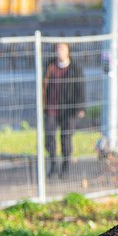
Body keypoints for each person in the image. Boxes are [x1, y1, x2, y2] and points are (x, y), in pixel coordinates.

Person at [42, 41, 85, 177]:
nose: (60, 51)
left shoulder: (75, 68)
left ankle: (65, 166)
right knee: (49, 137)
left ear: (68, 51)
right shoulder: (50, 66)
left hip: (68, 109)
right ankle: (54, 163)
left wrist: (80, 107)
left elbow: (80, 89)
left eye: (63, 49)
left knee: (66, 138)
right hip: (51, 108)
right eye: (58, 49)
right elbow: (43, 86)